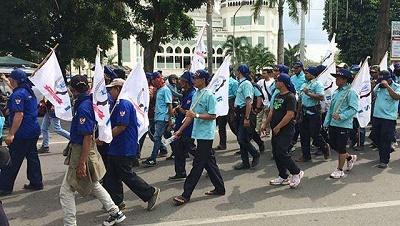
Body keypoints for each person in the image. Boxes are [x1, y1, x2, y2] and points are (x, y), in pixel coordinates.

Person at [59, 75, 126, 226]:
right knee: (94, 184)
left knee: (66, 191)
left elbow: (87, 136)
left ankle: (70, 223)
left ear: (73, 89)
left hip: (82, 150)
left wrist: (82, 162)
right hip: (84, 149)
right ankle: (115, 212)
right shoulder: (89, 102)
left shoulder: (84, 107)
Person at [102, 78, 160, 211]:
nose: (110, 91)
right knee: (112, 175)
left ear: (118, 89)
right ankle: (116, 201)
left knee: (126, 175)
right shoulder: (118, 103)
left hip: (124, 146)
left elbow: (122, 126)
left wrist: (106, 137)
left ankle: (150, 192)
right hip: (115, 147)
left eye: (111, 89)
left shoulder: (124, 104)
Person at [173, 69, 225, 205]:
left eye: (197, 78)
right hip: (198, 132)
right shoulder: (196, 94)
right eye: (194, 78)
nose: (194, 80)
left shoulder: (209, 96)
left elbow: (213, 116)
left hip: (206, 135)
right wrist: (180, 130)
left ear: (203, 80)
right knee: (209, 162)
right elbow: (190, 116)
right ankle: (220, 188)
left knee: (198, 164)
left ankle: (186, 194)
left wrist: (196, 116)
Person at [0, 69, 42, 196]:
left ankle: (4, 187)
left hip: (23, 132)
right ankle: (36, 182)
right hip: (33, 130)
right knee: (32, 156)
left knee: (12, 159)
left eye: (11, 79)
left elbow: (19, 115)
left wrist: (11, 133)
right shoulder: (28, 91)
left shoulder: (18, 94)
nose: (10, 81)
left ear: (15, 80)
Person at [261, 73, 304, 188]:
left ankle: (296, 172)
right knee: (276, 153)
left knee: (282, 152)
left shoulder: (290, 97)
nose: (275, 82)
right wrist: (265, 124)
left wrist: (279, 126)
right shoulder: (278, 96)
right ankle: (283, 176)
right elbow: (272, 112)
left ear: (283, 83)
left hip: (285, 130)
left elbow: (290, 115)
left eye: (277, 80)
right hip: (276, 129)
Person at [323, 69, 359, 179]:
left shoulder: (351, 92)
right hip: (333, 123)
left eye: (338, 78)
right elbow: (331, 109)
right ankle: (349, 158)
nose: (336, 80)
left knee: (341, 148)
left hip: (344, 124)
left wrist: (341, 116)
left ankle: (339, 170)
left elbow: (354, 109)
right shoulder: (336, 92)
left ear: (345, 80)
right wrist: (326, 122)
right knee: (334, 145)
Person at [296, 66, 330, 162]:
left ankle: (324, 147)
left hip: (314, 112)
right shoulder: (304, 85)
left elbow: (321, 97)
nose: (305, 75)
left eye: (306, 73)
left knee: (314, 134)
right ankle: (306, 155)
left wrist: (309, 94)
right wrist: (298, 114)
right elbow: (300, 100)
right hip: (304, 111)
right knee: (303, 135)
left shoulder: (317, 84)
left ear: (312, 74)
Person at [168, 71, 196, 180]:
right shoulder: (185, 92)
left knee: (191, 148)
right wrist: (178, 108)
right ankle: (180, 172)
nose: (180, 82)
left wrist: (180, 109)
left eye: (182, 80)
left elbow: (188, 113)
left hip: (187, 127)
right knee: (178, 149)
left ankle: (209, 164)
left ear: (187, 82)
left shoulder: (192, 94)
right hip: (180, 125)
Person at [142, 72, 173, 167]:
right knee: (167, 136)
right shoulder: (159, 90)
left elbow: (169, 105)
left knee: (157, 137)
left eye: (154, 80)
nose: (153, 82)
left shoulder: (165, 90)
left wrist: (170, 119)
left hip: (163, 117)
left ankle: (153, 158)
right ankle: (177, 152)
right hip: (158, 116)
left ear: (159, 79)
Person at [233, 64, 260, 170]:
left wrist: (247, 117)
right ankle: (245, 162)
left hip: (245, 113)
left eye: (236, 71)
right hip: (240, 113)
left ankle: (255, 153)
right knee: (241, 139)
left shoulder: (246, 84)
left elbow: (248, 102)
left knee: (242, 139)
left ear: (239, 72)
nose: (235, 72)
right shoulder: (241, 83)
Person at [372, 70, 400, 168]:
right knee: (376, 138)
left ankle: (384, 160)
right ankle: (385, 151)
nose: (381, 82)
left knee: (385, 139)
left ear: (389, 79)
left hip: (388, 118)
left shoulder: (397, 86)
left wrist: (387, 87)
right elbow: (373, 93)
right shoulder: (379, 86)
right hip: (377, 116)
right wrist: (377, 85)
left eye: (382, 80)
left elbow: (396, 97)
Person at [214, 67, 239, 150]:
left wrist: (235, 108)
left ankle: (242, 143)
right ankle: (222, 144)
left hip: (230, 103)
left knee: (233, 125)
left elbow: (236, 96)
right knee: (221, 125)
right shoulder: (220, 81)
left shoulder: (234, 82)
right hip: (222, 103)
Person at [256, 67, 274, 137]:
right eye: (262, 73)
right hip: (262, 102)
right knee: (259, 117)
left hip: (269, 103)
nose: (263, 75)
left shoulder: (272, 81)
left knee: (268, 117)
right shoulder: (261, 81)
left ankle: (267, 131)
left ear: (268, 74)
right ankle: (257, 131)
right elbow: (256, 87)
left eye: (264, 73)